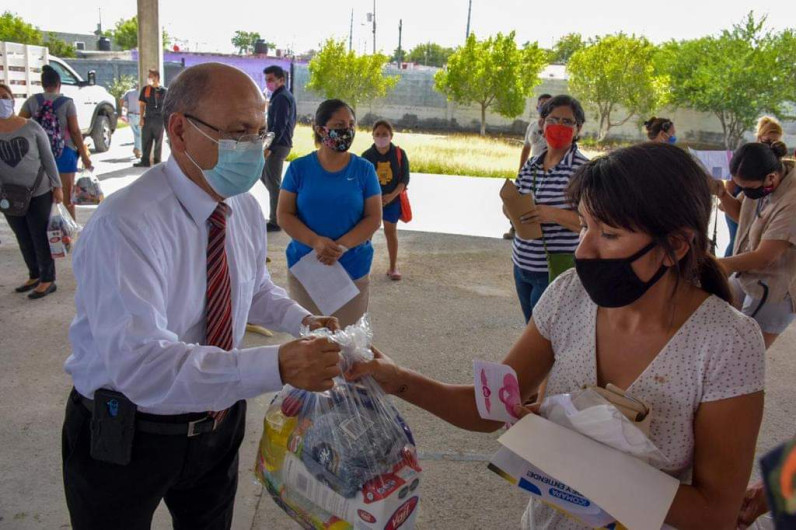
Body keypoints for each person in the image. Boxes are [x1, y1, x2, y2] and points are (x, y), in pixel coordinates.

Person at [348, 143, 766, 530]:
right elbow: (490, 409)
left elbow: (715, 511)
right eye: (584, 226)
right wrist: (397, 379)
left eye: (609, 234)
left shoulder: (727, 342)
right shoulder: (570, 295)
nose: (584, 250)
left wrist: (565, 451)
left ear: (675, 245)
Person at [62, 63, 343, 529]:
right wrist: (278, 364)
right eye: (238, 132)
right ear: (179, 131)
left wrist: (302, 322)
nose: (254, 147)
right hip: (130, 431)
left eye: (260, 132)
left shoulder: (244, 208)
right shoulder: (127, 224)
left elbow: (249, 289)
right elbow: (142, 366)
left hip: (216, 420)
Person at [277, 99, 382, 328]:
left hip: (352, 269)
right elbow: (284, 214)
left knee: (348, 343)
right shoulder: (299, 169)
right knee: (310, 342)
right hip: (307, 268)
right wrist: (316, 242)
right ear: (320, 128)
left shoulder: (364, 170)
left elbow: (374, 217)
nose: (348, 130)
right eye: (340, 124)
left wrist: (340, 247)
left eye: (352, 124)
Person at [511, 94, 588, 323]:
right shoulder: (531, 165)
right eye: (553, 119)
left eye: (567, 122)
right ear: (542, 124)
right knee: (530, 328)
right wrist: (511, 209)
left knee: (545, 336)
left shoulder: (584, 170)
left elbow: (595, 225)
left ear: (578, 128)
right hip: (522, 265)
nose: (559, 126)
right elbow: (517, 198)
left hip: (555, 271)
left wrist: (552, 214)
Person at [714, 141, 796, 348]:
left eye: (750, 189)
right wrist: (722, 193)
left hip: (777, 285)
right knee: (719, 322)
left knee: (744, 351)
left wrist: (716, 264)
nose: (747, 192)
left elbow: (765, 257)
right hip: (748, 274)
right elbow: (742, 215)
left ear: (771, 178)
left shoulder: (792, 199)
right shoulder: (764, 184)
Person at [0, 83, 63, 299]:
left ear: (12, 100)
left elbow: (48, 158)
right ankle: (34, 274)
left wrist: (57, 186)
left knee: (40, 235)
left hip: (39, 191)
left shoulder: (31, 127)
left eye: (4, 96)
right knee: (22, 236)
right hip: (8, 195)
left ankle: (48, 279)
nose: (2, 101)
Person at [20, 65, 92, 220]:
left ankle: (46, 230)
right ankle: (69, 232)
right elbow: (74, 131)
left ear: (42, 84)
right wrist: (85, 156)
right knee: (67, 197)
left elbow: (21, 124)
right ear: (59, 84)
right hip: (64, 152)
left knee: (42, 196)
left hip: (38, 155)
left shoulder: (32, 101)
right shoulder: (67, 103)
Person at [724, 116, 784, 256]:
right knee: (737, 242)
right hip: (738, 207)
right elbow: (728, 191)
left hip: (762, 213)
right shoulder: (744, 159)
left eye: (776, 141)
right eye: (769, 140)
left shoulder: (777, 166)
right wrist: (724, 197)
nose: (772, 145)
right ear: (760, 137)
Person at [362, 119, 410, 281]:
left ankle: (393, 267)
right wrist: (375, 198)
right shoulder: (367, 156)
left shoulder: (399, 154)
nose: (381, 137)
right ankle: (363, 267)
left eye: (384, 134)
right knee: (367, 234)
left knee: (391, 233)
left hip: (392, 201)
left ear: (391, 136)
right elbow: (362, 181)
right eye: (377, 134)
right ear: (372, 136)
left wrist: (391, 196)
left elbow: (404, 179)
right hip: (371, 202)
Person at [505, 94, 552, 240]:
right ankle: (515, 228)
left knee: (540, 202)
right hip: (531, 170)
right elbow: (526, 148)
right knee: (519, 200)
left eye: (547, 104)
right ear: (537, 107)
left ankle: (540, 234)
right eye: (541, 104)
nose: (543, 107)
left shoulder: (553, 126)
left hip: (548, 170)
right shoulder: (531, 126)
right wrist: (521, 170)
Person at [261, 65, 296, 232]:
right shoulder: (279, 96)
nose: (268, 83)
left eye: (271, 79)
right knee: (266, 178)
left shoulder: (282, 98)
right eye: (266, 79)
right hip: (279, 143)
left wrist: (271, 147)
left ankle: (277, 220)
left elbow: (279, 125)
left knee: (273, 182)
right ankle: (281, 212)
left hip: (278, 145)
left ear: (281, 80)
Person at [134, 69, 167, 168]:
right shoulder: (146, 89)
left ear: (156, 77)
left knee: (158, 142)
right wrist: (141, 118)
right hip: (148, 119)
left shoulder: (164, 91)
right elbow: (142, 105)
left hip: (159, 120)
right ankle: (145, 161)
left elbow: (167, 106)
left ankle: (157, 161)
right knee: (146, 140)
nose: (149, 78)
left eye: (150, 76)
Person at [121, 82, 142, 159]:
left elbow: (123, 102)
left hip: (131, 115)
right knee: (139, 134)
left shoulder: (129, 93)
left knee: (136, 133)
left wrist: (124, 114)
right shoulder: (143, 93)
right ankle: (138, 149)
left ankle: (137, 149)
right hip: (139, 115)